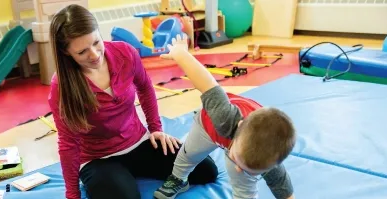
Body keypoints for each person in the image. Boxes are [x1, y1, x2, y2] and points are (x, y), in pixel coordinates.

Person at [47, 5, 218, 199]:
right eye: (82, 52)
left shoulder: (124, 53)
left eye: (96, 42)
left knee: (206, 170)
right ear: (67, 52)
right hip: (99, 159)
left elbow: (145, 87)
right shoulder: (61, 87)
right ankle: (113, 179)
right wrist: (72, 194)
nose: (94, 55)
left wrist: (155, 128)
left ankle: (128, 174)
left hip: (138, 142)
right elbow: (68, 143)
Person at [153, 34, 296, 199]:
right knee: (189, 153)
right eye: (239, 162)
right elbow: (206, 82)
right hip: (208, 126)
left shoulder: (269, 160)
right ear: (240, 125)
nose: (238, 169)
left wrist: (243, 163)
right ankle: (179, 178)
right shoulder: (223, 116)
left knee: (244, 185)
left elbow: (284, 189)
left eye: (248, 169)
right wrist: (181, 54)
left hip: (240, 145)